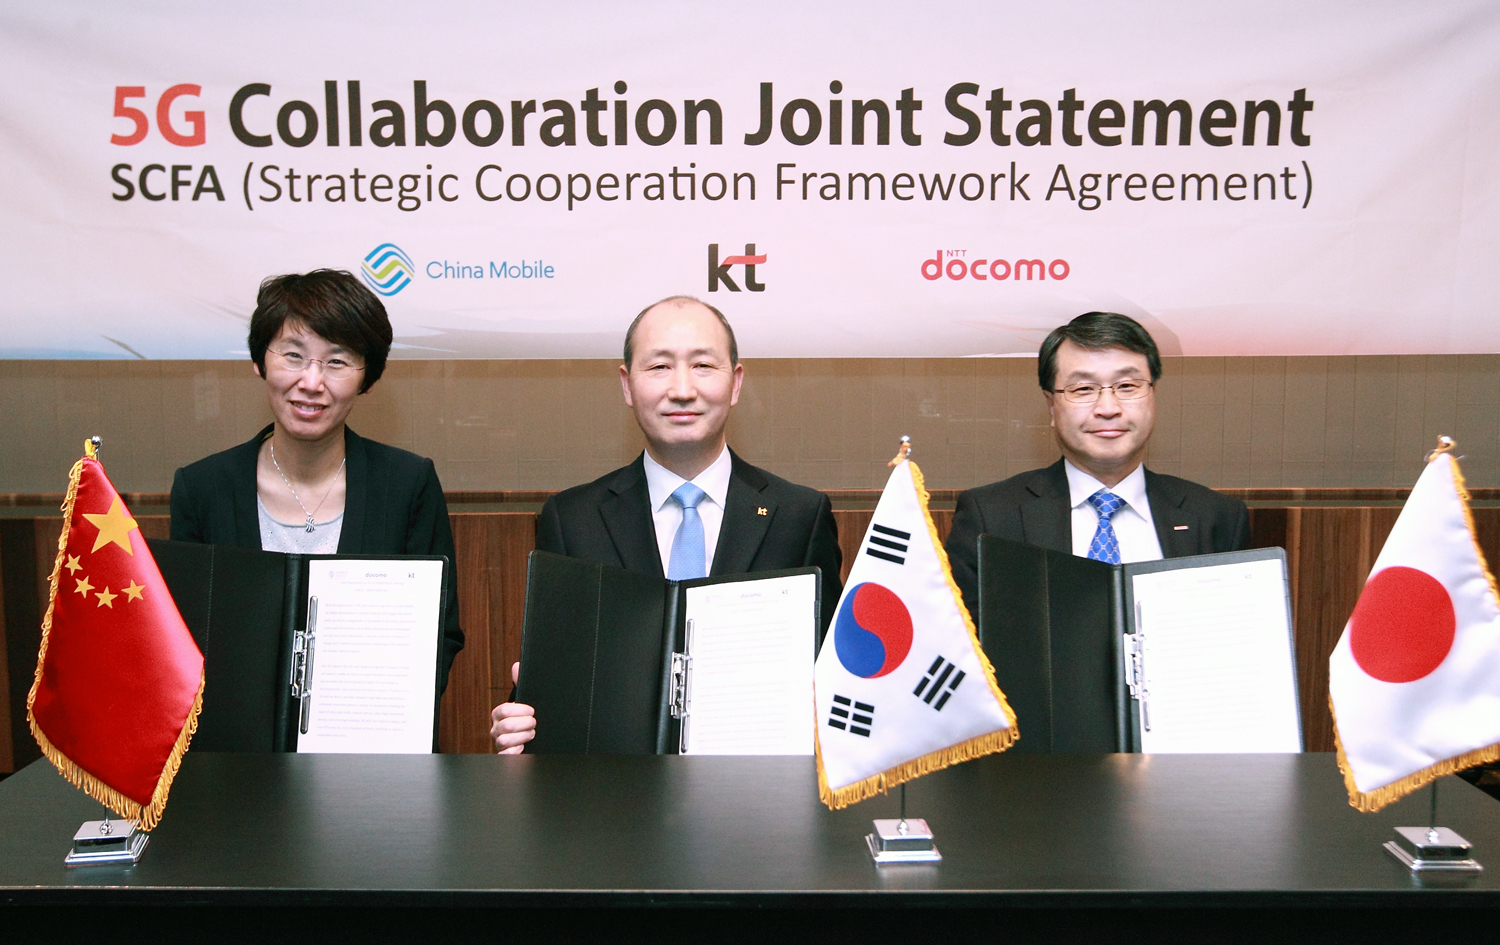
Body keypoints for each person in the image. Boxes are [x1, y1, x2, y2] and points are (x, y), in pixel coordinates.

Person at [490, 296, 843, 753]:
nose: (681, 389)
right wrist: (517, 724)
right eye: (659, 367)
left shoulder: (799, 516)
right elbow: (553, 687)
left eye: (703, 366)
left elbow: (836, 674)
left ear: (736, 383)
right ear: (627, 384)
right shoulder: (572, 518)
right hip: (612, 789)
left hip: (757, 785)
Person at [170, 269, 465, 694]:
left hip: (367, 725)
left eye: (337, 362)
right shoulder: (202, 488)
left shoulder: (407, 485)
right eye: (293, 356)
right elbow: (184, 638)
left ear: (367, 378)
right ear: (259, 361)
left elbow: (437, 634)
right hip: (234, 731)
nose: (311, 382)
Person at [944, 311, 1251, 617]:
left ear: (1152, 395)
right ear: (1051, 406)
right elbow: (969, 640)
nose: (1107, 408)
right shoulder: (991, 518)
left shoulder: (1217, 518)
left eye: (1127, 386)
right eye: (1083, 389)